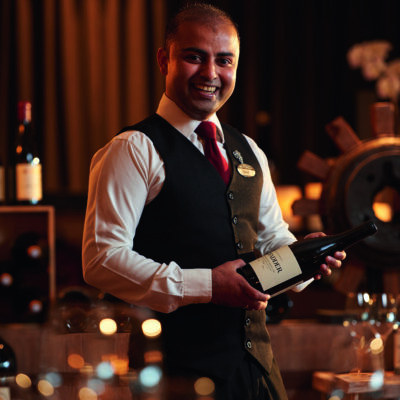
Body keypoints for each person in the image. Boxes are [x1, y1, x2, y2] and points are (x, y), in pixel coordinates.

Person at [82, 3, 345, 399]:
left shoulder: (249, 151)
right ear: (163, 60)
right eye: (194, 57)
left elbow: (272, 241)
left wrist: (303, 261)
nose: (210, 74)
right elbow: (101, 259)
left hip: (259, 371)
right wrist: (207, 285)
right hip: (173, 375)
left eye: (224, 61)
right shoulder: (133, 149)